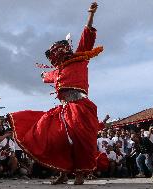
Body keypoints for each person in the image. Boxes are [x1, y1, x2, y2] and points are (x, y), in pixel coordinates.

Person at [8, 2, 103, 185]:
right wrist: (41, 74)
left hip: (81, 108)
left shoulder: (80, 59)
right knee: (54, 137)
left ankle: (80, 174)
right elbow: (47, 75)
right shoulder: (58, 71)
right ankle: (62, 173)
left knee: (80, 141)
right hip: (65, 108)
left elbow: (86, 36)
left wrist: (90, 15)